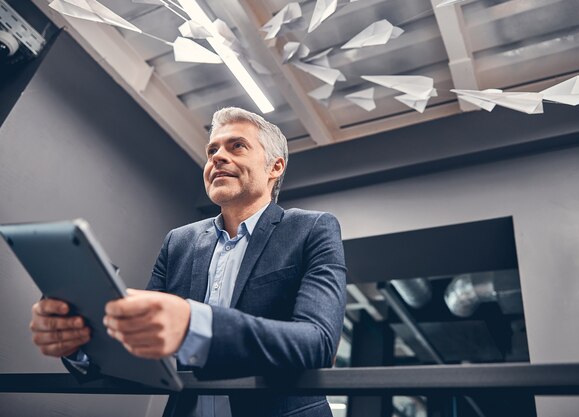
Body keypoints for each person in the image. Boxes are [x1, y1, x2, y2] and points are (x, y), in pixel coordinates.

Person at [29, 107, 347, 417]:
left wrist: (195, 323)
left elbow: (317, 343)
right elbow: (145, 354)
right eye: (212, 151)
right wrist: (79, 342)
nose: (217, 157)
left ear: (274, 167)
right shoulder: (178, 242)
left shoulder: (312, 228)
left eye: (237, 146)